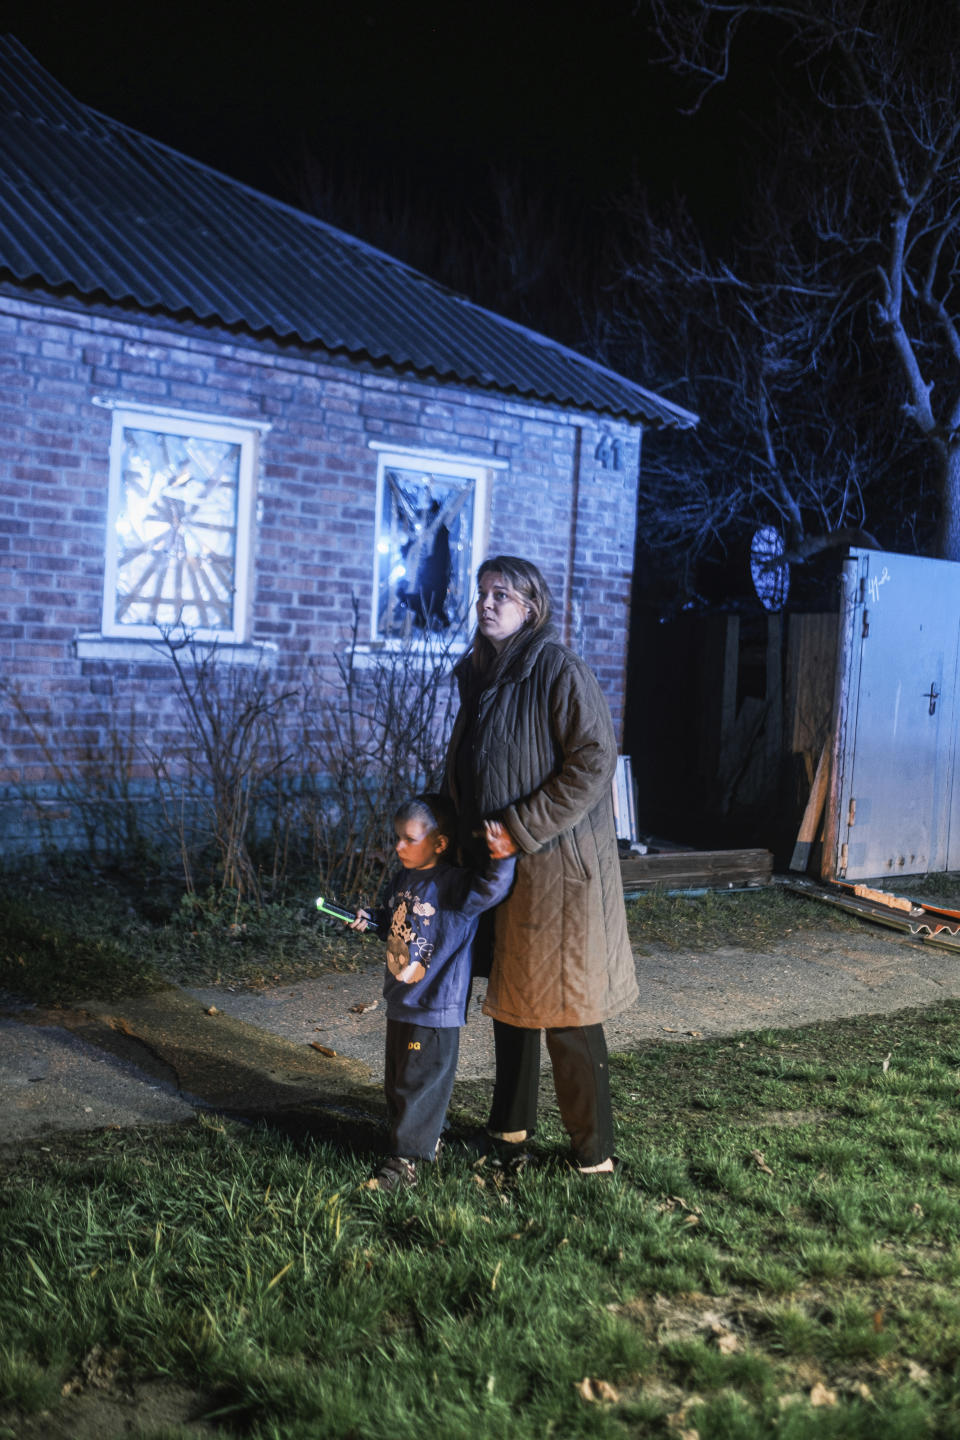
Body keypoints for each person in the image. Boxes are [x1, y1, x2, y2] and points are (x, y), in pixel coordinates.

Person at [445, 556, 637, 1174]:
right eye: (482, 593)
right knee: (513, 1001)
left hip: (558, 872)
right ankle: (508, 1134)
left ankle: (594, 1155)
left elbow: (593, 759)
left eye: (502, 593)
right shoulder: (481, 675)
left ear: (532, 606)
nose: (487, 602)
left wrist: (521, 827)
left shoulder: (556, 669)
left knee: (568, 1011)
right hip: (502, 869)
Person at [350, 793, 516, 1190]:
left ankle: (406, 1162)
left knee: (418, 1083)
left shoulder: (454, 885)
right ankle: (428, 1138)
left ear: (439, 843)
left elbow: (490, 890)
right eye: (397, 838)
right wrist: (370, 919)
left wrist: (503, 857)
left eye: (409, 839)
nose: (398, 847)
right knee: (399, 1081)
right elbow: (394, 924)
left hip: (434, 1006)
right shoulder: (404, 879)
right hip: (402, 1002)